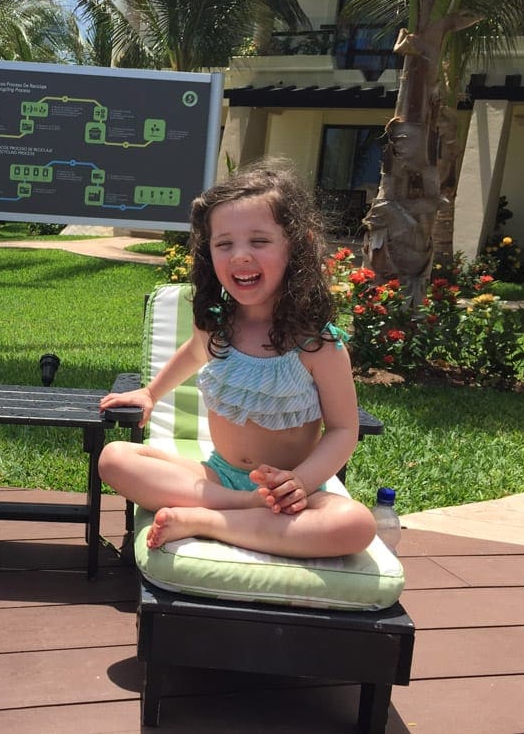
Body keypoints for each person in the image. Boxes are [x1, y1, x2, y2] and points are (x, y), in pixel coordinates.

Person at [99, 160, 376, 558]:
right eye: (224, 243)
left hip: (293, 489)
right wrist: (150, 393)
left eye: (259, 241)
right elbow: (193, 354)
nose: (240, 256)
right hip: (219, 476)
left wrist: (298, 482)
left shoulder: (318, 345)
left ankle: (204, 521)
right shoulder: (217, 326)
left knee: (354, 525)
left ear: (296, 245)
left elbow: (342, 430)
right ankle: (244, 513)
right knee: (115, 458)